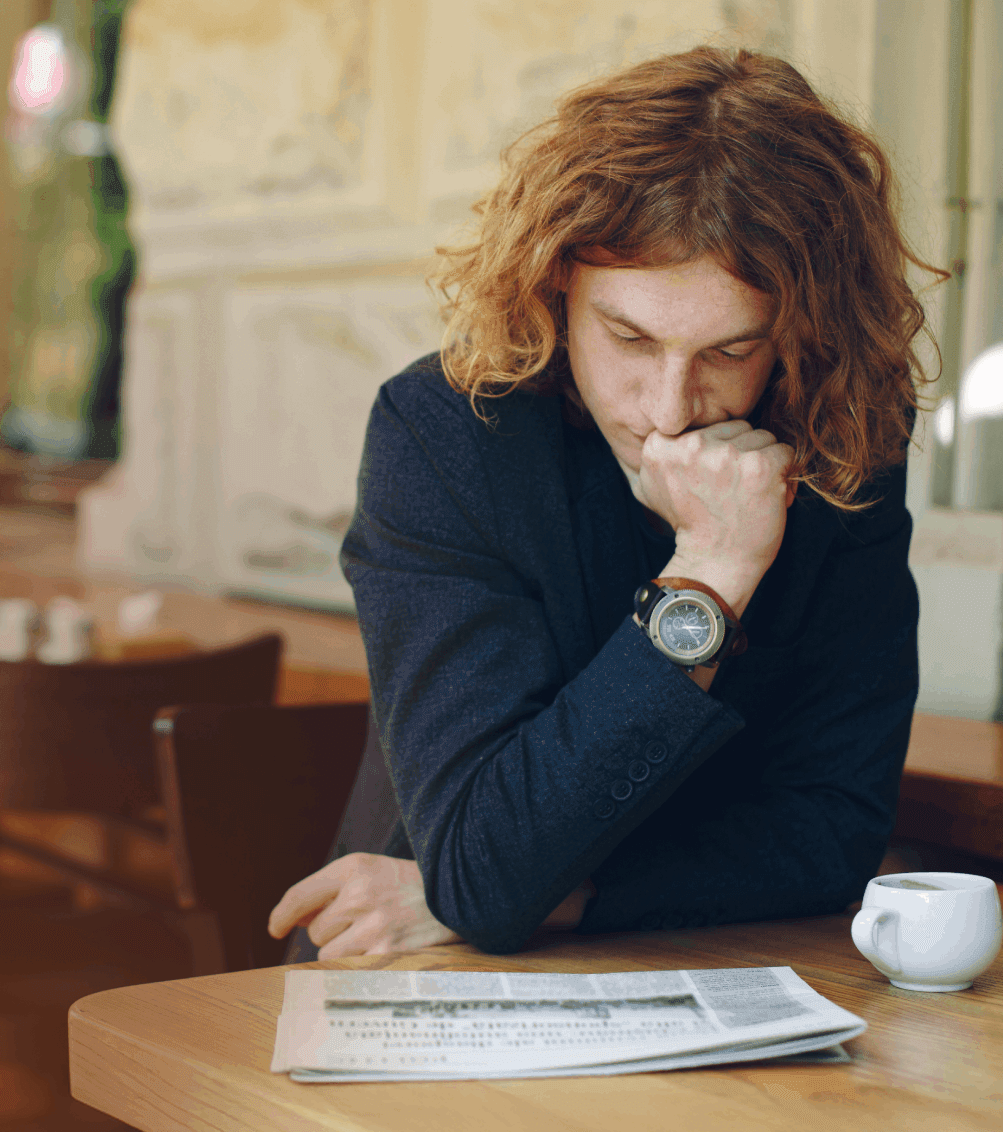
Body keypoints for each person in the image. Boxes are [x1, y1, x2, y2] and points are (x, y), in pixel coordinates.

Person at [268, 45, 941, 957]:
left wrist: (560, 898)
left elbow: (833, 833)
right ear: (556, 285)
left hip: (712, 972)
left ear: (800, 338)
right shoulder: (449, 435)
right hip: (416, 974)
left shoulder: (842, 442)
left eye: (730, 352)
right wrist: (711, 572)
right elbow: (482, 870)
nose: (669, 408)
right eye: (629, 337)